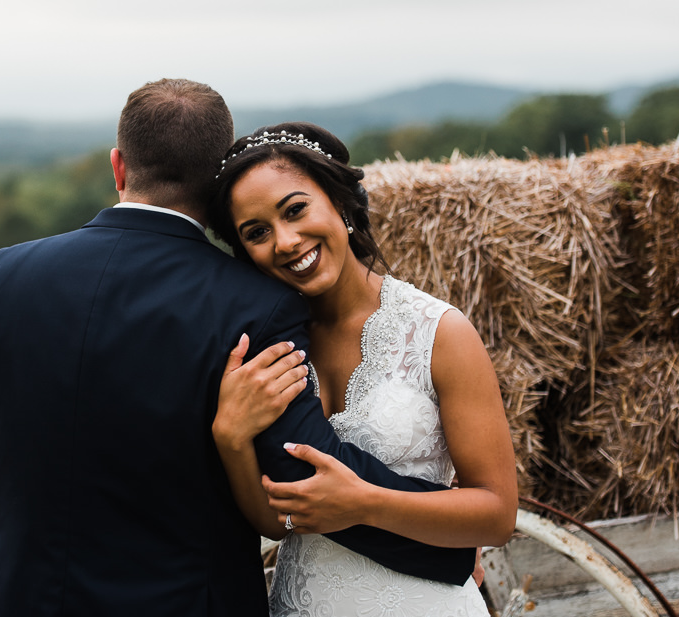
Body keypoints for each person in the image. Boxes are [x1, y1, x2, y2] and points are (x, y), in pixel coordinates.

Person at [0, 81, 476, 617]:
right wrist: (447, 542)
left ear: (119, 166)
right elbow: (300, 469)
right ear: (219, 182)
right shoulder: (254, 304)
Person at [209, 122, 518, 616]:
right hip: (301, 602)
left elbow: (497, 516)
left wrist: (366, 502)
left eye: (295, 210)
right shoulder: (266, 349)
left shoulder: (439, 332)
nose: (286, 241)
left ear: (340, 204)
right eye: (257, 233)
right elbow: (275, 520)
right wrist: (230, 437)